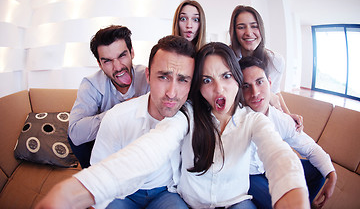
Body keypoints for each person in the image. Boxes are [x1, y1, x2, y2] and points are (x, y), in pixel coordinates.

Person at [36, 42, 309, 209]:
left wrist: (292, 190)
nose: (171, 92)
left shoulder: (248, 119)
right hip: (136, 194)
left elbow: (277, 152)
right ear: (148, 76)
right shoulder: (179, 116)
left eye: (226, 76)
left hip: (194, 197)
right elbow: (149, 149)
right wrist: (75, 191)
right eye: (206, 80)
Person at [88, 35, 195, 208]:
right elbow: (97, 176)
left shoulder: (191, 117)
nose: (172, 93)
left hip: (166, 192)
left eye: (183, 80)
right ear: (148, 75)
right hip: (122, 194)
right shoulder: (117, 118)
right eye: (163, 77)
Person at [239, 56, 337, 209]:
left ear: (270, 83)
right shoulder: (234, 119)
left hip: (272, 168)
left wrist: (331, 175)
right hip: (250, 176)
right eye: (246, 86)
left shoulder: (281, 119)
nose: (255, 92)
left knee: (318, 169)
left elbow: (310, 148)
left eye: (259, 82)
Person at [68, 25, 150, 168]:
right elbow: (75, 133)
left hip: (140, 149)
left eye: (122, 56)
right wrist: (121, 111)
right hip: (107, 153)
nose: (117, 67)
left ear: (132, 53)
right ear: (99, 64)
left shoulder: (148, 76)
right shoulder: (91, 84)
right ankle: (95, 182)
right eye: (107, 61)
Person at [229, 5, 303, 130]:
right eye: (241, 27)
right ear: (234, 32)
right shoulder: (227, 59)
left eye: (254, 26)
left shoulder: (275, 61)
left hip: (263, 120)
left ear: (261, 29)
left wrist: (287, 115)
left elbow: (275, 91)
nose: (248, 32)